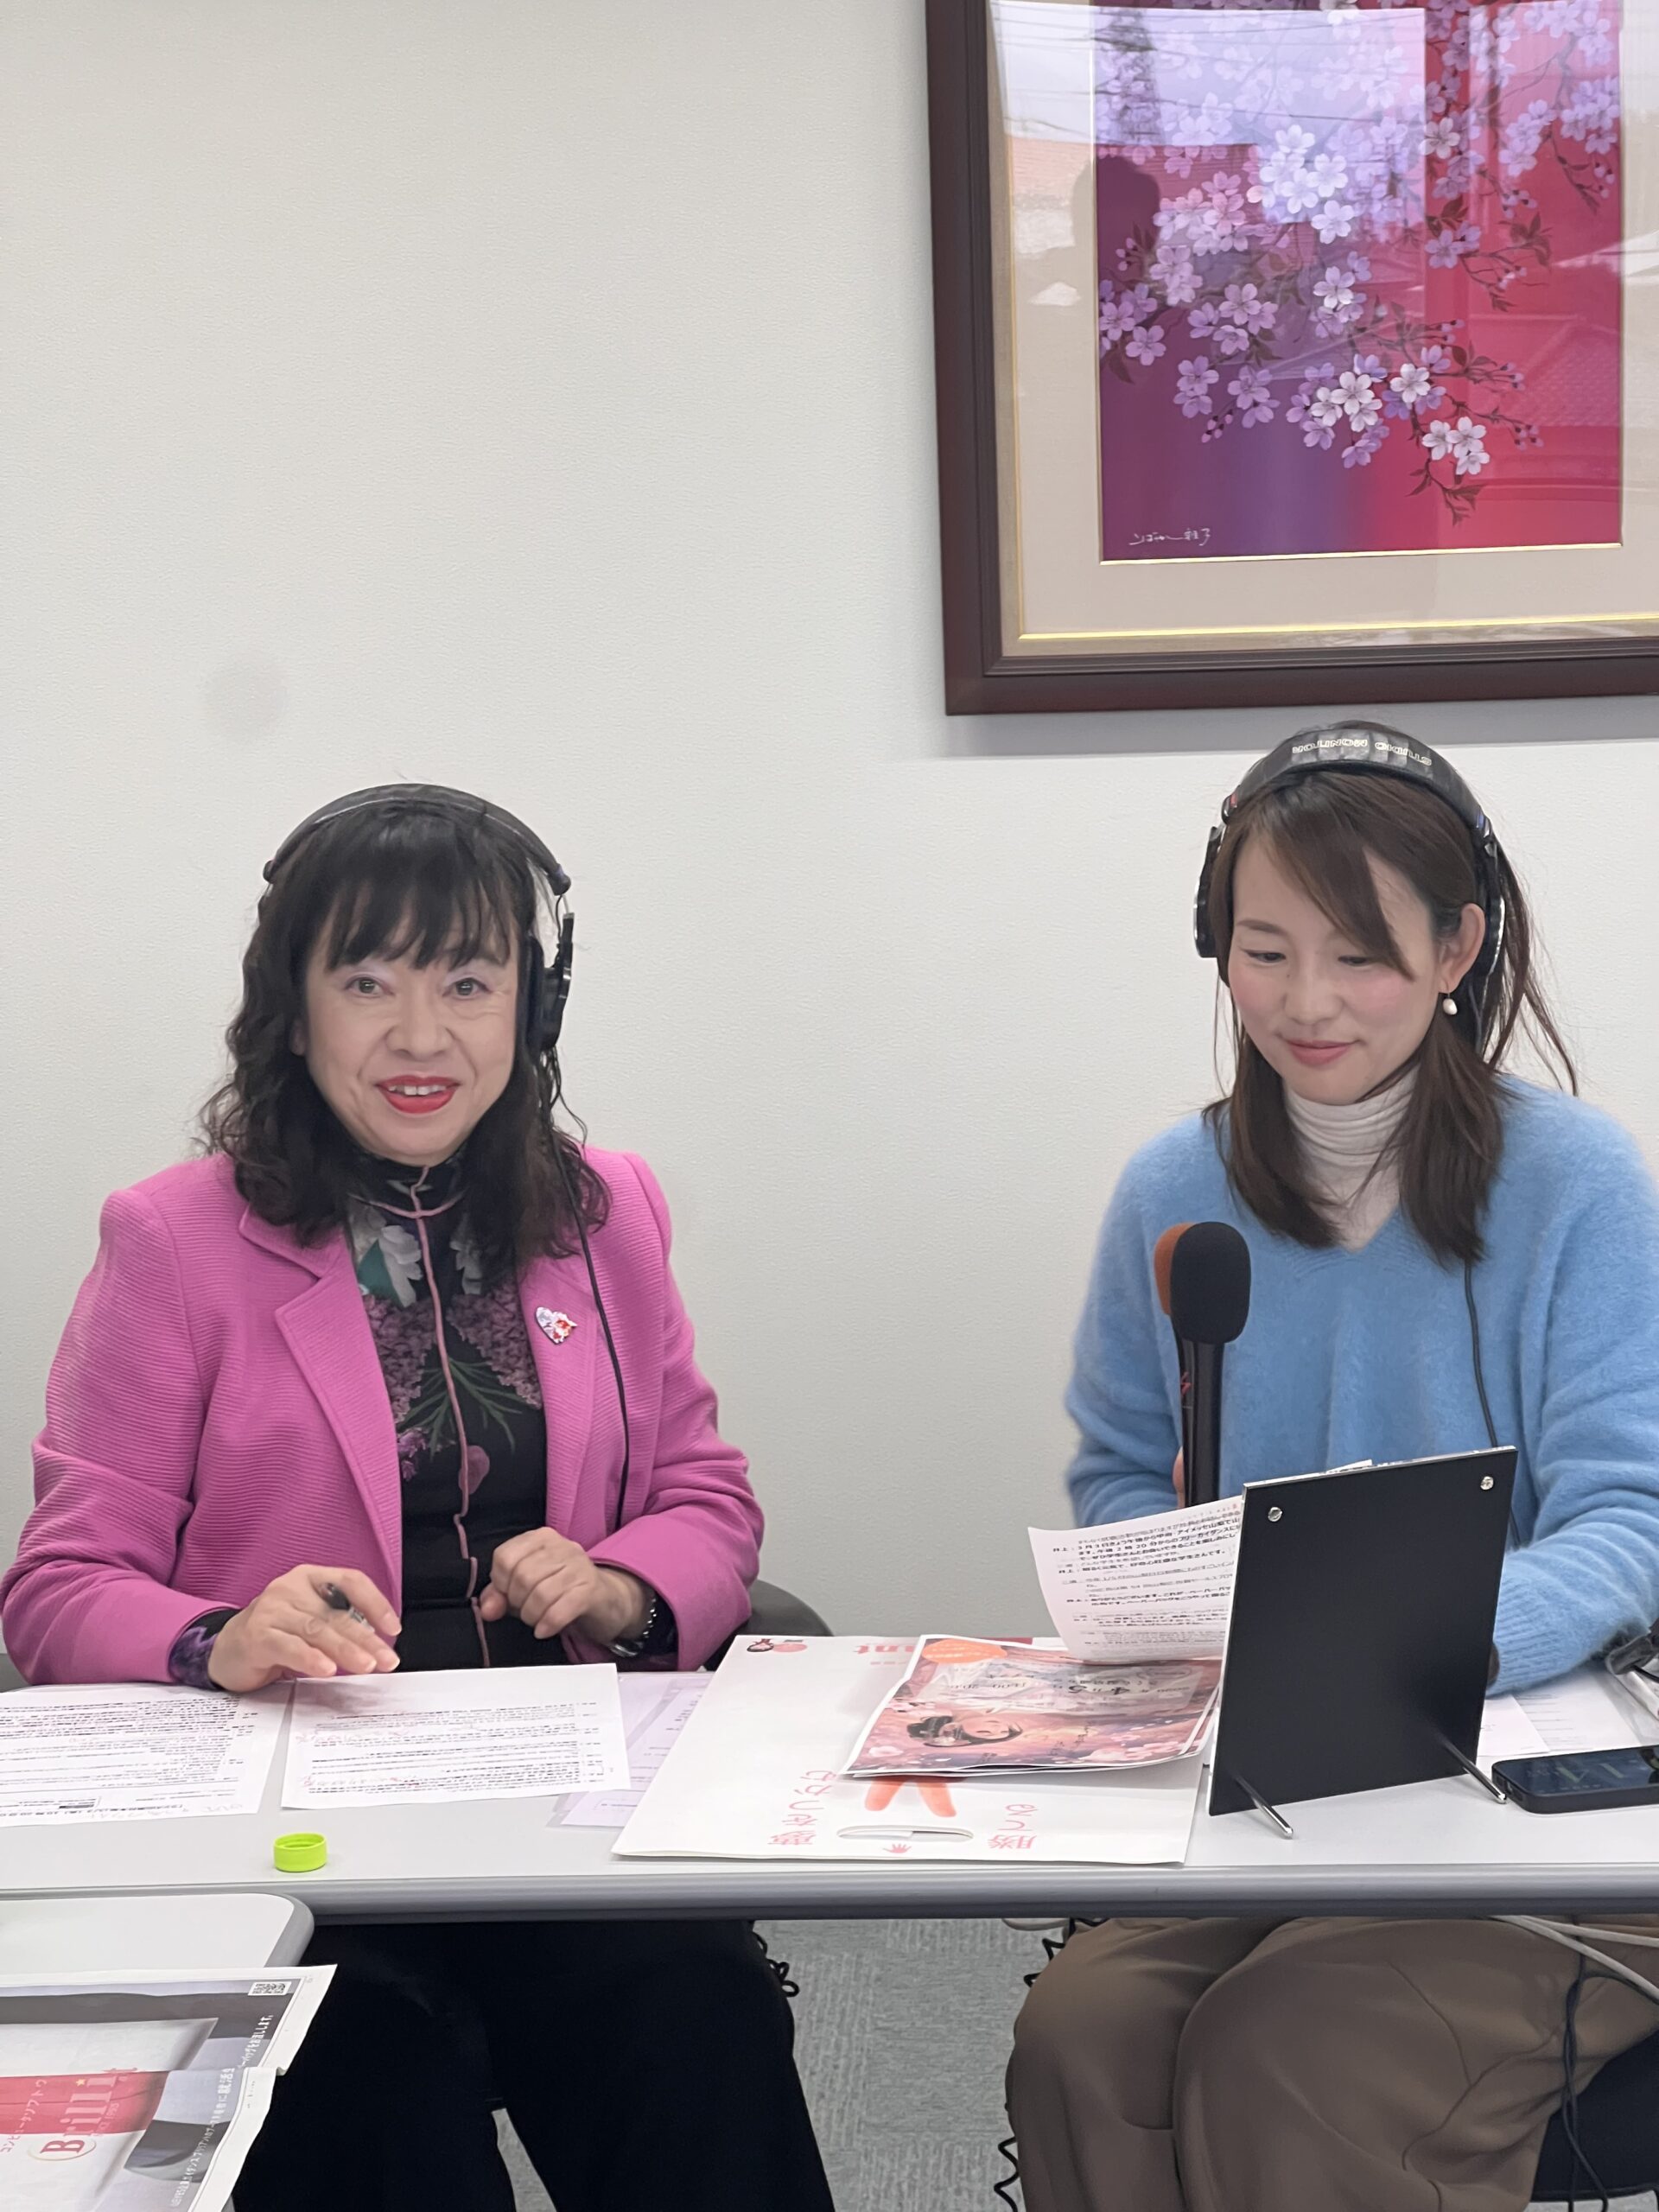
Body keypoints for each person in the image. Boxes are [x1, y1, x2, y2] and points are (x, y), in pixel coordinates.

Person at [1, 784, 835, 2212]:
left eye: (468, 982)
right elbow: (60, 1585)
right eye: (368, 982)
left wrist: (623, 1586)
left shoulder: (605, 1210)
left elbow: (704, 1494)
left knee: (693, 2021)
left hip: (560, 1819)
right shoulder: (172, 1241)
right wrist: (218, 1636)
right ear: (292, 1008)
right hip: (301, 1846)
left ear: (534, 1006)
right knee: (371, 2090)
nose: (421, 1035)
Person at [1008, 723, 1659, 2212]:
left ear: (1456, 949)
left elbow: (1634, 1517)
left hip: (1538, 1797)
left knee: (1289, 2043)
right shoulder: (1175, 1188)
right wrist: (1188, 1605)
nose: (1306, 1003)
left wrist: (1420, 1645)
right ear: (1216, 946)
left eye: (1360, 956)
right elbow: (1123, 1476)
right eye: (1265, 952)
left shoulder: (1579, 1183)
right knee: (1083, 2036)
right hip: (1276, 1786)